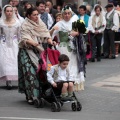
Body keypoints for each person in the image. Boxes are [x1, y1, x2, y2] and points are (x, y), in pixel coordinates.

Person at [18, 7, 54, 104]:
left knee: (41, 72)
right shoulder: (25, 25)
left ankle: (40, 94)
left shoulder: (40, 23)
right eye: (34, 15)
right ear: (29, 16)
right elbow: (24, 38)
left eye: (37, 14)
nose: (36, 17)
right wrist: (33, 43)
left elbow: (45, 34)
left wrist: (50, 41)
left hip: (38, 51)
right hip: (26, 51)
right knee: (30, 74)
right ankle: (30, 96)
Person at [52, 6, 85, 91]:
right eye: (65, 13)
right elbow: (50, 35)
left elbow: (83, 31)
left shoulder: (75, 22)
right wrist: (52, 40)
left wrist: (76, 33)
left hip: (73, 48)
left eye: (68, 13)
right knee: (64, 65)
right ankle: (64, 86)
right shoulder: (59, 24)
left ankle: (71, 86)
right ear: (62, 14)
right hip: (63, 49)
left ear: (71, 14)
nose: (67, 15)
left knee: (73, 65)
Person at [0, 5, 21, 89]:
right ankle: (8, 81)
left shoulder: (17, 22)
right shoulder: (1, 22)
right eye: (7, 11)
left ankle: (16, 79)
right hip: (3, 44)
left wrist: (20, 43)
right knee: (4, 61)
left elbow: (19, 35)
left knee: (14, 61)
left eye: (10, 11)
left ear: (13, 12)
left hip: (14, 44)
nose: (9, 13)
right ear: (4, 12)